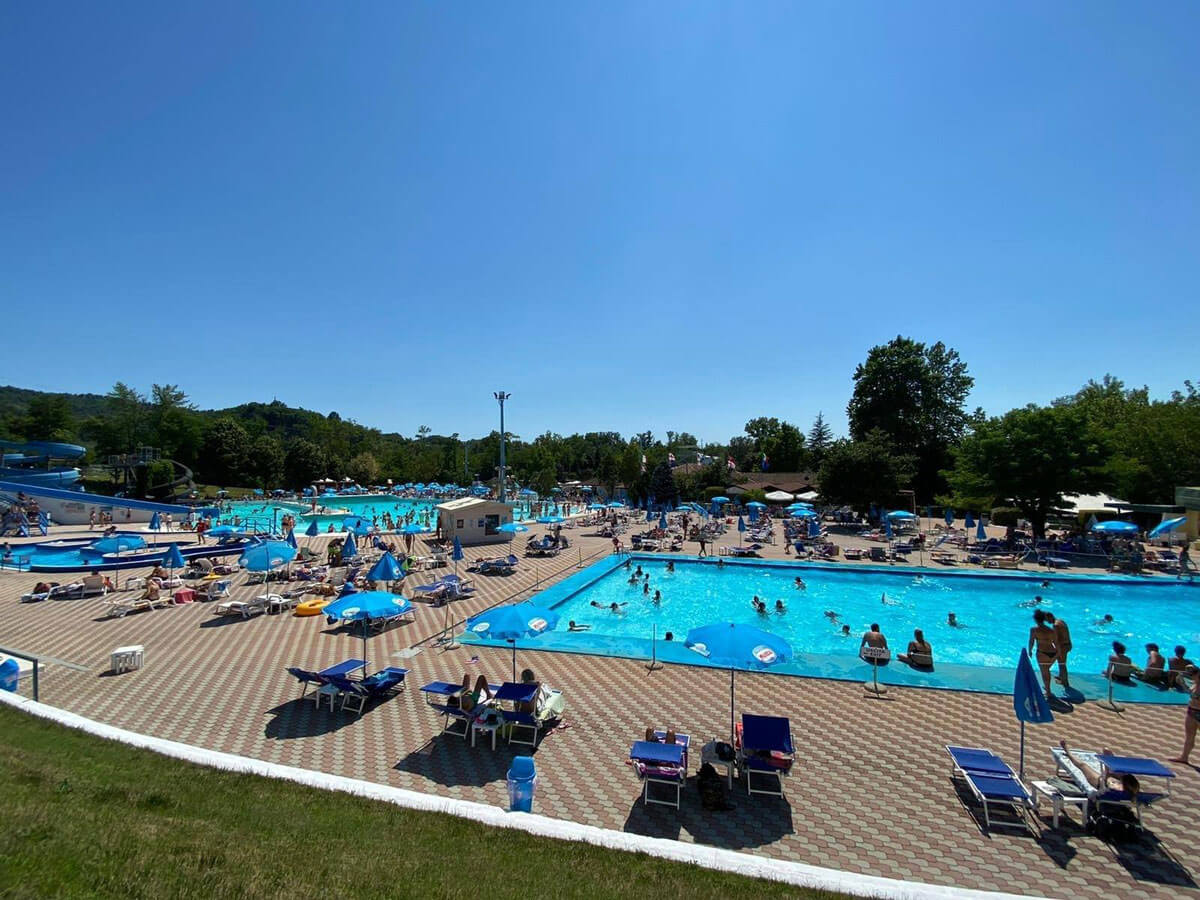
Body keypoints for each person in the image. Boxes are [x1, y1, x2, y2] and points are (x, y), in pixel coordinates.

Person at [1060, 740, 1141, 799]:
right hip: (1111, 782)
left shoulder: (1115, 786)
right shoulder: (1133, 788)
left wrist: (1109, 773)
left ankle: (1068, 752)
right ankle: (1110, 764)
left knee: (1083, 766)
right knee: (1107, 756)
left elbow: (1108, 782)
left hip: (1101, 784)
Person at [1170, 665, 1200, 763]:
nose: (1191, 677)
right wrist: (1182, 683)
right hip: (1191, 711)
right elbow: (1190, 692)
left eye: (1192, 675)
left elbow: (1195, 695)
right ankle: (1184, 757)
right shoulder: (1195, 683)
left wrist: (1182, 683)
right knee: (1190, 736)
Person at [1028, 610, 1057, 700]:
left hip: (1042, 653)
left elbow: (1031, 641)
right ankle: (1047, 688)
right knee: (1047, 671)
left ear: (1035, 620)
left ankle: (1048, 692)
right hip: (1053, 652)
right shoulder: (1051, 630)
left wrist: (1030, 651)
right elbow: (1056, 643)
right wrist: (1058, 653)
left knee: (1045, 673)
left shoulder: (1034, 630)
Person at [1044, 612, 1072, 689]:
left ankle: (1065, 683)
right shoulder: (1061, 621)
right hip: (1068, 644)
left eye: (1047, 620)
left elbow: (1055, 639)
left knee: (1062, 664)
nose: (1047, 622)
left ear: (1050, 617)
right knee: (1062, 662)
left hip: (1062, 646)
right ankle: (1061, 676)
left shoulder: (1055, 625)